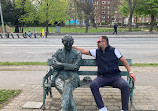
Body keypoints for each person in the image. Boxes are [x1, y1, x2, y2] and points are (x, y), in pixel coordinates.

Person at [72, 36, 136, 111]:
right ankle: (102, 108)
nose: (97, 44)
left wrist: (130, 72)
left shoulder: (114, 50)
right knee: (93, 85)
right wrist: (72, 47)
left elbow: (124, 61)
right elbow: (84, 51)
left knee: (125, 86)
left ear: (105, 42)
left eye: (98, 42)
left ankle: (124, 109)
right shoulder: (96, 52)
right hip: (102, 77)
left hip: (115, 77)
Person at [52, 35, 82, 111]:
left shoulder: (77, 53)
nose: (68, 44)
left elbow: (75, 67)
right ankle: (72, 108)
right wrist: (69, 66)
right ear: (63, 42)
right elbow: (55, 66)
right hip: (59, 77)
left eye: (70, 42)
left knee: (68, 84)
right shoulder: (57, 53)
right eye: (66, 42)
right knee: (67, 90)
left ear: (73, 42)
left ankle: (64, 108)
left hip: (73, 76)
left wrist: (61, 65)